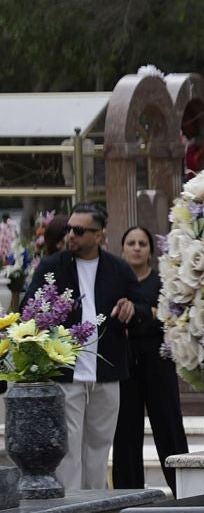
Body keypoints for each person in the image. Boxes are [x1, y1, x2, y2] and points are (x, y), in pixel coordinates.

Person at [21, 206, 138, 490]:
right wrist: (52, 312)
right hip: (65, 372)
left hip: (107, 371)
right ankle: (72, 512)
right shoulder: (52, 266)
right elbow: (27, 309)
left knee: (99, 449)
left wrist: (133, 307)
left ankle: (95, 508)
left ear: (99, 235)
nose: (70, 235)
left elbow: (142, 305)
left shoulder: (118, 268)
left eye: (79, 230)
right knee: (68, 450)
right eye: (69, 229)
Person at [110, 225, 189, 491]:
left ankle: (184, 490)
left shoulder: (162, 282)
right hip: (125, 364)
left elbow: (171, 318)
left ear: (150, 251)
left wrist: (149, 317)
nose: (136, 248)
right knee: (125, 432)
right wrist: (150, 314)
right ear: (121, 249)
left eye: (142, 243)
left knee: (168, 427)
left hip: (158, 363)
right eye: (131, 243)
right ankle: (127, 493)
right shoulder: (116, 282)